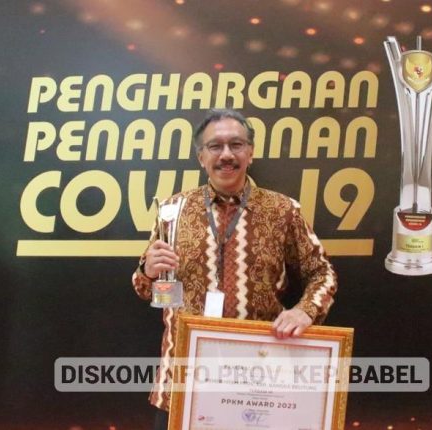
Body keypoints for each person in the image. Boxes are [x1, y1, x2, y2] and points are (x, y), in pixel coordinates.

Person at [132, 109, 337, 429]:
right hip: (182, 384)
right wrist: (147, 272)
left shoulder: (283, 210)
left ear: (250, 153)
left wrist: (304, 311)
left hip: (257, 385)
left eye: (236, 145)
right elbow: (150, 290)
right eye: (215, 146)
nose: (226, 154)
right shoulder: (172, 211)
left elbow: (321, 273)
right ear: (201, 157)